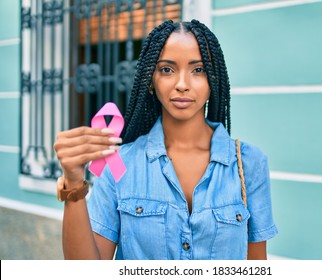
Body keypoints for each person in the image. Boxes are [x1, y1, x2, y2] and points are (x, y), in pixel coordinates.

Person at [54, 19, 278, 260]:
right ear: (151, 79)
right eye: (167, 69)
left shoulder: (249, 163)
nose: (182, 85)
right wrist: (74, 186)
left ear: (214, 79)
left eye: (198, 69)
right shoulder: (118, 165)